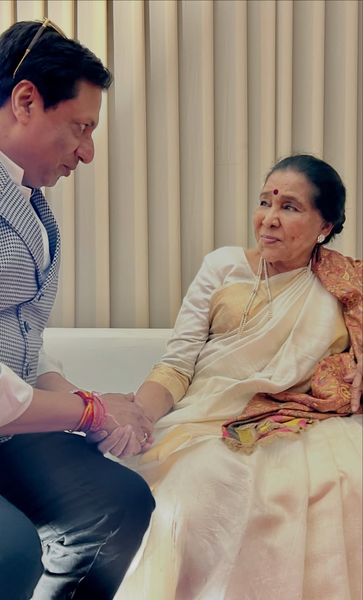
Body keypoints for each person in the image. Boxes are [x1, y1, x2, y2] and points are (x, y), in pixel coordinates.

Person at [0, 19, 155, 600]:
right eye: (81, 127)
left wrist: (81, 401)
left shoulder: (26, 199)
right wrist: (88, 411)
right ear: (25, 101)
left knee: (118, 505)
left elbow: (18, 333)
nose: (88, 152)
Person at [107, 155, 363, 600]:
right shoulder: (223, 266)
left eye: (289, 207)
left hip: (306, 421)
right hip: (209, 421)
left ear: (325, 225)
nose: (269, 218)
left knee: (342, 482)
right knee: (195, 492)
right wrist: (138, 416)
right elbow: (177, 364)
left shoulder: (347, 284)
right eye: (265, 202)